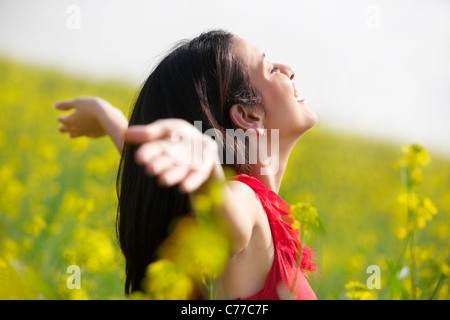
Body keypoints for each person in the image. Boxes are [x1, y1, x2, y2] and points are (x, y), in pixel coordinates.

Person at [54, 30, 318, 300]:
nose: (288, 70)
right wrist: (207, 171)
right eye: (271, 69)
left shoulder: (242, 209)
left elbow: (153, 167)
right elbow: (228, 223)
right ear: (248, 116)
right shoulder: (242, 200)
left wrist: (109, 118)